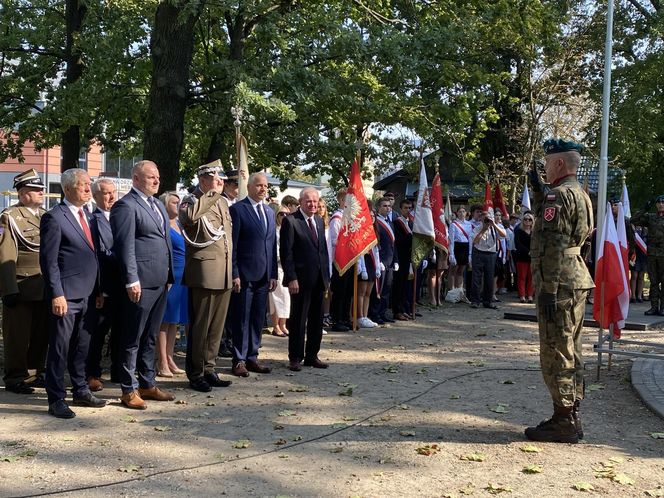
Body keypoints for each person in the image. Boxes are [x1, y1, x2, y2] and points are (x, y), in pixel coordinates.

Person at [524, 138, 594, 444]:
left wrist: (548, 289)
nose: (546, 167)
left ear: (560, 164)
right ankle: (571, 412)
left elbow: (553, 245)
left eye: (549, 162)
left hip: (560, 283)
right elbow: (576, 237)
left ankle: (563, 419)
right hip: (576, 278)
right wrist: (537, 187)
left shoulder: (558, 197)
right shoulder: (580, 194)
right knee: (572, 349)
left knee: (556, 351)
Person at [40, 168, 106, 418]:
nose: (89, 189)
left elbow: (94, 256)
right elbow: (49, 261)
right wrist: (57, 293)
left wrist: (99, 290)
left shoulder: (90, 217)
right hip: (66, 295)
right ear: (67, 189)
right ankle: (56, 398)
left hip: (89, 294)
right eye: (83, 185)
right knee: (60, 348)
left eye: (89, 184)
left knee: (83, 346)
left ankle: (80, 389)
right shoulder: (54, 218)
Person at [111, 160, 176, 409]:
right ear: (136, 179)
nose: (156, 181)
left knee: (150, 336)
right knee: (132, 337)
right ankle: (128, 389)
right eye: (151, 177)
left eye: (158, 177)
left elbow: (164, 242)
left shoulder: (157, 204)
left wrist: (168, 275)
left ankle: (148, 383)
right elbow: (124, 246)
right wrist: (131, 279)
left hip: (160, 282)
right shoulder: (126, 206)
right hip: (140, 282)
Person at [179, 165, 234, 392]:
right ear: (202, 179)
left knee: (216, 327)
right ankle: (195, 372)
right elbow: (190, 219)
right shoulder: (191, 200)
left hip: (223, 271)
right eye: (213, 177)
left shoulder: (221, 202)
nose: (219, 181)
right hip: (203, 273)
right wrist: (211, 193)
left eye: (219, 178)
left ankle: (209, 368)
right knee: (200, 327)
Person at [0, 169, 48, 394]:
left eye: (40, 189)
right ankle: (15, 377)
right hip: (21, 285)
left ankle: (34, 373)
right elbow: (6, 255)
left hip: (44, 286)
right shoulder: (10, 217)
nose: (41, 192)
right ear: (22, 193)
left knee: (40, 334)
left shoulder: (46, 215)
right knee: (17, 336)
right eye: (35, 189)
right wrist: (8, 289)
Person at [229, 172, 278, 377]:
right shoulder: (238, 210)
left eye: (265, 186)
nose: (263, 189)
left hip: (264, 275)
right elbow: (233, 245)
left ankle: (252, 357)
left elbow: (271, 244)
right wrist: (234, 272)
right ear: (248, 187)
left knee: (258, 318)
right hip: (245, 274)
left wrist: (273, 273)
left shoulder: (269, 212)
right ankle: (238, 359)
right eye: (259, 185)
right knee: (241, 318)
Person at [280, 187, 330, 372]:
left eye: (315, 201)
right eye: (309, 201)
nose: (313, 204)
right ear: (301, 202)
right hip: (300, 281)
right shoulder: (291, 221)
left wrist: (326, 277)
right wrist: (291, 277)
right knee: (299, 320)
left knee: (317, 320)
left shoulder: (318, 220)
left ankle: (312, 355)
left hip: (319, 280)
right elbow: (287, 253)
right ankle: (295, 357)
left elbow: (322, 252)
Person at [86, 178, 122, 391]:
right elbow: (99, 253)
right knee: (98, 332)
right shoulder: (93, 220)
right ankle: (92, 373)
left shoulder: (119, 216)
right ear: (95, 196)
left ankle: (118, 370)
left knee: (121, 329)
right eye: (106, 193)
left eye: (113, 192)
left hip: (123, 284)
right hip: (104, 284)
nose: (112, 197)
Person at [156, 191, 188, 377]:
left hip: (183, 275)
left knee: (174, 320)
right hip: (170, 275)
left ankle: (170, 357)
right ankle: (161, 362)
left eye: (179, 202)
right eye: (174, 202)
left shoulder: (180, 224)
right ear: (165, 205)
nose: (178, 205)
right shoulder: (163, 224)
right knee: (164, 320)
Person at [631, 193, 664, 316]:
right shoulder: (651, 217)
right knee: (654, 282)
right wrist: (644, 209)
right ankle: (654, 307)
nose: (661, 204)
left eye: (663, 202)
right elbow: (633, 219)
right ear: (656, 205)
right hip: (652, 254)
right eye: (659, 202)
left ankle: (663, 308)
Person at [369, 197, 398, 324]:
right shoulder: (376, 223)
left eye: (389, 206)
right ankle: (374, 314)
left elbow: (393, 243)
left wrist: (396, 260)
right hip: (380, 261)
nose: (388, 208)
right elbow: (377, 243)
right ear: (379, 208)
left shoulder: (391, 222)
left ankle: (383, 312)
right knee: (378, 290)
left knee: (387, 288)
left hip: (390, 260)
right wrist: (379, 260)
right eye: (384, 206)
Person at [469, 211, 505, 309]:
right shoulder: (477, 228)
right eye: (485, 218)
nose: (487, 220)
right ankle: (475, 301)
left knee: (489, 278)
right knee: (476, 278)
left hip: (491, 254)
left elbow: (503, 235)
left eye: (488, 218)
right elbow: (475, 241)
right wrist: (483, 230)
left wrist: (494, 225)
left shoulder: (495, 228)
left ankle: (487, 301)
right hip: (479, 253)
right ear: (481, 219)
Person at [328, 189, 352, 332]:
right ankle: (337, 319)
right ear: (341, 201)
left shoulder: (349, 217)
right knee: (340, 292)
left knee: (348, 291)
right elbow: (334, 240)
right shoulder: (337, 218)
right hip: (340, 259)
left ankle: (345, 317)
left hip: (350, 259)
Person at [357, 204, 381, 328]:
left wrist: (377, 266)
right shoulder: (361, 231)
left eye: (373, 216)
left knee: (368, 292)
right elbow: (360, 250)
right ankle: (359, 316)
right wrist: (363, 268)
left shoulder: (374, 230)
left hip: (372, 263)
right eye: (369, 216)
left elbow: (376, 251)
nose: (372, 218)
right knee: (361, 292)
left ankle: (365, 316)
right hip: (363, 263)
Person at [269, 207, 291, 337]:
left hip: (287, 268)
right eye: (281, 213)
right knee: (276, 297)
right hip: (277, 266)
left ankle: (283, 324)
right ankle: (275, 325)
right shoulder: (275, 231)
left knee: (286, 297)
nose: (284, 216)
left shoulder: (289, 230)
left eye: (287, 214)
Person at [393, 199, 413, 319]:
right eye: (405, 208)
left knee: (407, 285)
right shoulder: (397, 222)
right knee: (399, 285)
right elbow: (399, 241)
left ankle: (406, 308)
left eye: (410, 208)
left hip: (409, 258)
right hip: (400, 257)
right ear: (401, 209)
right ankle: (397, 310)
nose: (408, 210)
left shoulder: (411, 222)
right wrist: (411, 238)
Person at [447, 206, 471, 291]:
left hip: (465, 247)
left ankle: (459, 291)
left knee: (461, 271)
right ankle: (452, 291)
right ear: (457, 213)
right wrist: (451, 254)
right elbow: (451, 240)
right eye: (460, 212)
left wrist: (470, 253)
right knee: (453, 270)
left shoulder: (469, 224)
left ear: (466, 213)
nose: (461, 213)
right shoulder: (453, 224)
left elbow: (470, 239)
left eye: (463, 211)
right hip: (456, 247)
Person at [514, 211, 535, 303]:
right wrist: (528, 252)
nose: (527, 221)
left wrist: (533, 252)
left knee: (531, 278)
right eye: (525, 219)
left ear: (532, 221)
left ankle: (530, 295)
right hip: (522, 257)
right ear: (523, 221)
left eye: (530, 219)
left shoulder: (534, 233)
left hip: (533, 258)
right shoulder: (518, 231)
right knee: (522, 277)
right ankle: (522, 296)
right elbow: (518, 244)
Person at [630, 225, 647, 302]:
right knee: (634, 276)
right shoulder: (633, 229)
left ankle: (639, 296)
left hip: (643, 256)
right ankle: (633, 296)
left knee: (641, 276)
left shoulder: (646, 230)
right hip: (635, 256)